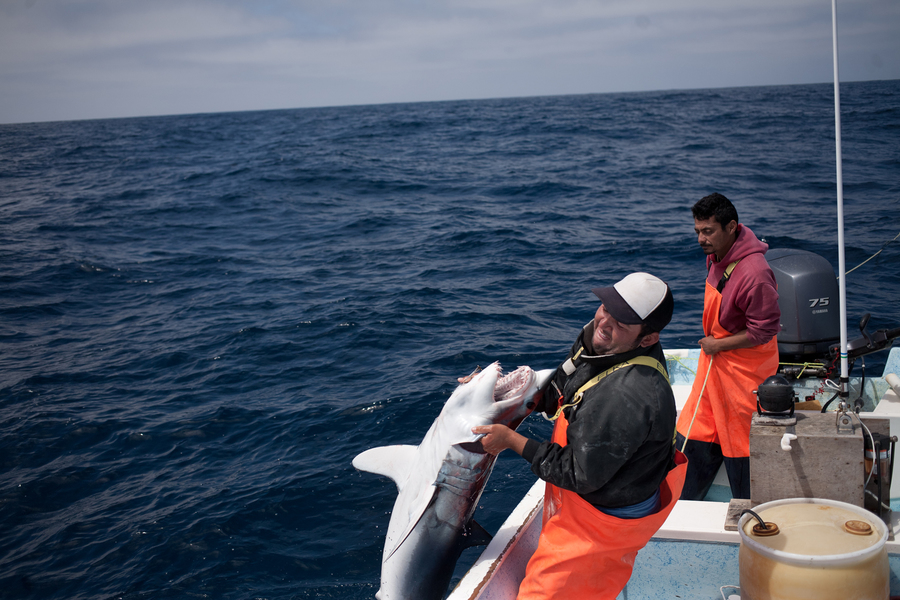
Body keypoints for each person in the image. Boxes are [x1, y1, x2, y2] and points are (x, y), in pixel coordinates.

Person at [473, 272, 686, 600]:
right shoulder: (604, 340)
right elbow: (565, 383)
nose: (605, 320)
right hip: (595, 485)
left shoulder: (628, 394)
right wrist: (500, 397)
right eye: (606, 307)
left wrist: (512, 441)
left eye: (622, 321)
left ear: (648, 339)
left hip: (603, 522)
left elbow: (579, 474)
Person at [675, 193, 780, 500]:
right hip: (713, 370)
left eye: (708, 231)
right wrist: (714, 349)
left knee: (741, 446)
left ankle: (752, 517)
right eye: (697, 231)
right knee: (692, 434)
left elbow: (765, 330)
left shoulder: (755, 274)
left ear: (731, 227)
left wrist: (717, 345)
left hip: (742, 377)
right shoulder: (718, 255)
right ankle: (684, 506)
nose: (700, 239)